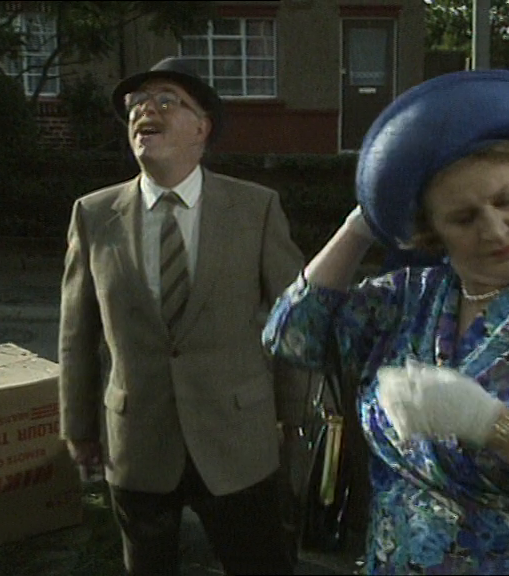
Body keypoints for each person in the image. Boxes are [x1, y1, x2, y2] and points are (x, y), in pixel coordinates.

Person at [262, 70, 509, 575]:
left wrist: (491, 424)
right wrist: (361, 227)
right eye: (463, 217)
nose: (495, 230)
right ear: (433, 232)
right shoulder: (411, 297)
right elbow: (291, 336)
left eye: (505, 201)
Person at [58, 57, 305, 576]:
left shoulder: (255, 208)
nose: (145, 110)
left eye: (167, 100)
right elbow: (77, 333)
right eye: (136, 104)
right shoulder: (94, 214)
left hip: (238, 440)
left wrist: (293, 416)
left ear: (202, 128)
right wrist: (78, 427)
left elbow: (295, 322)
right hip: (138, 442)